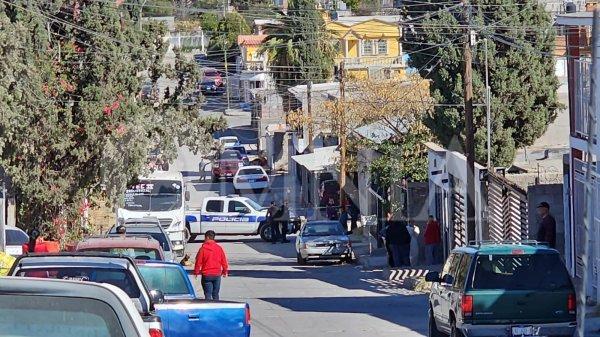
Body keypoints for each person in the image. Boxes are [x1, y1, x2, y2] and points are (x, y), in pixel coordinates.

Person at [193, 230, 229, 300]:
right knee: (215, 294)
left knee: (207, 294)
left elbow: (198, 262)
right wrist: (225, 271)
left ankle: (208, 307)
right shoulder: (219, 248)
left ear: (207, 237)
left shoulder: (202, 249)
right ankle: (217, 308)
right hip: (217, 274)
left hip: (206, 275)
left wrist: (196, 272)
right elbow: (224, 261)